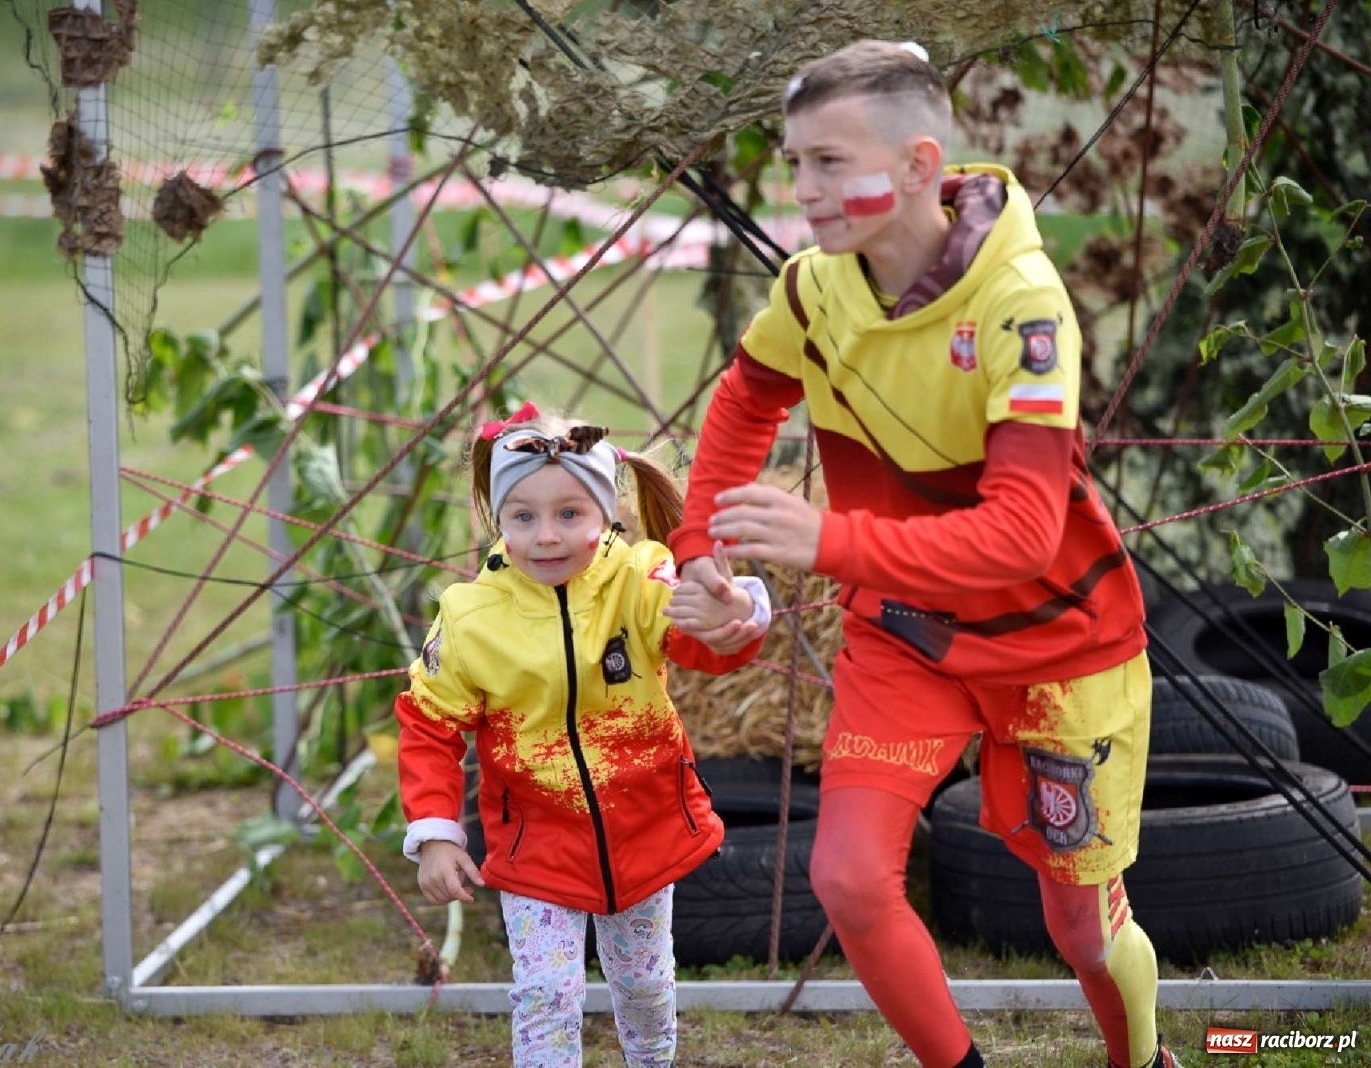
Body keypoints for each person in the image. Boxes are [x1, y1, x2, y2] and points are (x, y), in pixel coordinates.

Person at [667, 40, 1182, 1068]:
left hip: (1056, 646)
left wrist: (828, 540)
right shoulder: (812, 289)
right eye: (795, 161)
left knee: (1080, 929)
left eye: (828, 161)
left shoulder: (1021, 304)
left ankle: (1143, 1061)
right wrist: (696, 546)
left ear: (918, 165)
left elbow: (1022, 534)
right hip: (907, 632)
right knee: (847, 879)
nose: (802, 189)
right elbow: (745, 397)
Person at [396, 402, 769, 1067]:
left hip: (643, 827)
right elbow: (430, 725)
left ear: (605, 513)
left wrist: (731, 611)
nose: (546, 537)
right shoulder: (470, 619)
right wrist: (434, 832)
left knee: (645, 987)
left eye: (569, 514)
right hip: (535, 840)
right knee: (547, 994)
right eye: (523, 517)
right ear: (498, 519)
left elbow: (709, 649)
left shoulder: (642, 581)